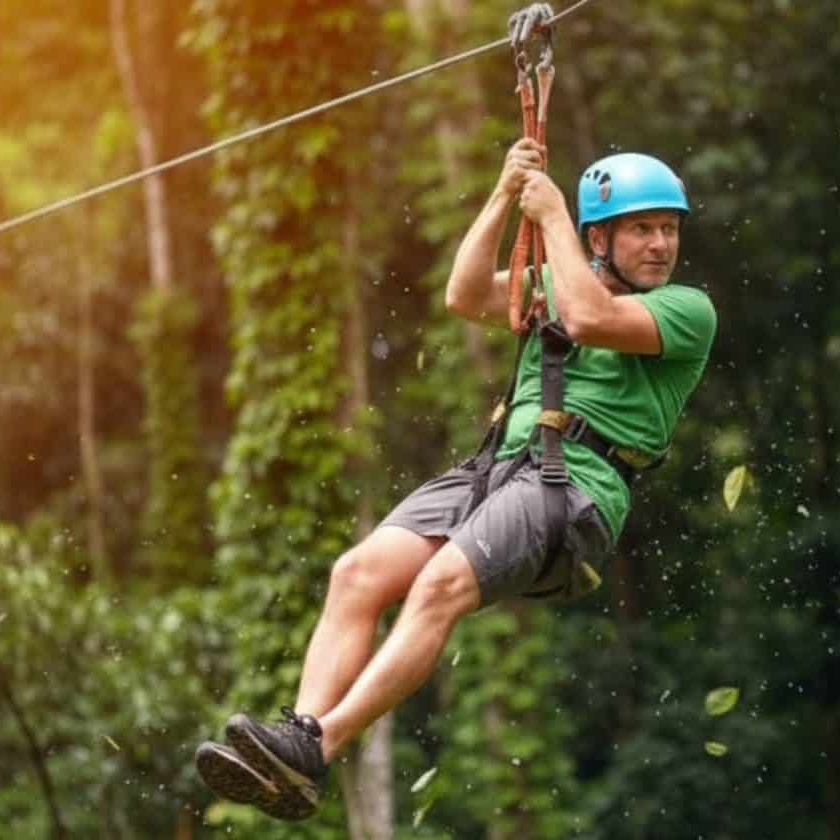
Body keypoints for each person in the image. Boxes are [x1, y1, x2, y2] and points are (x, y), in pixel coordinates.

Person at [194, 140, 716, 821]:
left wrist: (552, 213)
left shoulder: (686, 309)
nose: (660, 245)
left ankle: (319, 749)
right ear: (603, 237)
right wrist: (505, 194)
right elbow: (464, 294)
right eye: (642, 229)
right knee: (356, 573)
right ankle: (298, 738)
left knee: (439, 585)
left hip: (575, 489)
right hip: (498, 471)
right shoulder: (552, 283)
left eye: (668, 229)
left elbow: (592, 318)